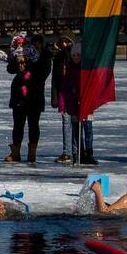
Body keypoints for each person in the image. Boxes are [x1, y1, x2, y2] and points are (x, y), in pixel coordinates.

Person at [4, 34, 52, 163]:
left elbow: (44, 72)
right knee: (18, 125)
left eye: (38, 43)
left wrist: (29, 70)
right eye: (33, 43)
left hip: (35, 95)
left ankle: (32, 153)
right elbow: (10, 69)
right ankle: (16, 152)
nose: (35, 46)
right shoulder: (23, 53)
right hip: (19, 94)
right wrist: (16, 60)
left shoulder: (44, 57)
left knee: (33, 125)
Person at [63, 43, 97, 165]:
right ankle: (78, 154)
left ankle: (89, 153)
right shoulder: (70, 69)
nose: (76, 57)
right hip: (73, 105)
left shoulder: (86, 69)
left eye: (78, 55)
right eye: (74, 55)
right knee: (76, 129)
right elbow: (65, 87)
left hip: (86, 104)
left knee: (88, 128)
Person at [49, 32, 75, 164]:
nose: (65, 44)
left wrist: (66, 49)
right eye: (62, 41)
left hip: (75, 94)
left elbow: (69, 57)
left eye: (67, 42)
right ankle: (66, 152)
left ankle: (77, 151)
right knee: (66, 122)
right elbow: (54, 79)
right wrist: (53, 97)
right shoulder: (58, 57)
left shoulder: (75, 56)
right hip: (63, 93)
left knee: (75, 123)